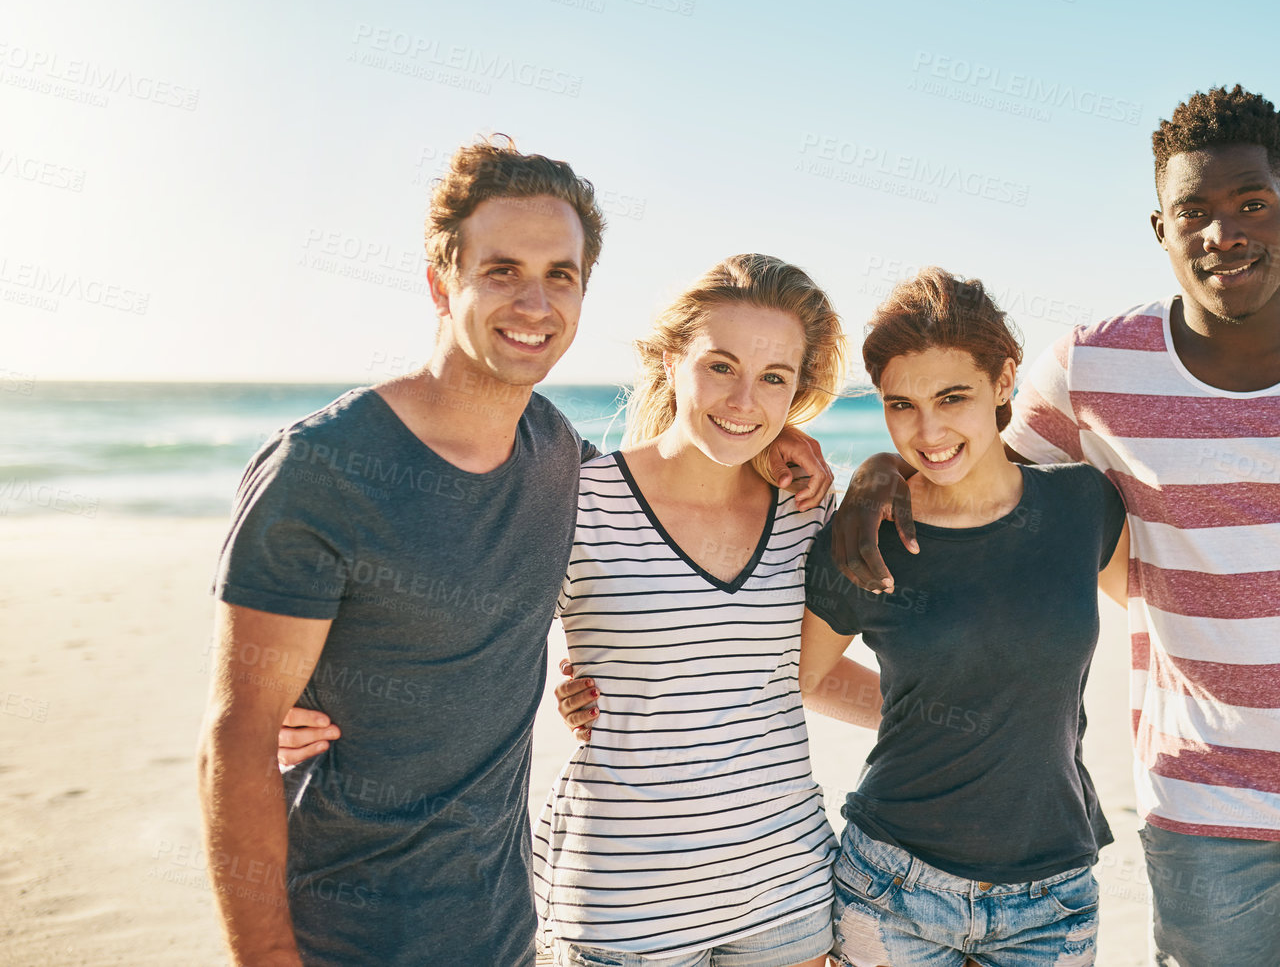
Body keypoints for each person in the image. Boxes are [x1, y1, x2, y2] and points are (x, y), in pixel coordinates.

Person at [831, 87, 1280, 965]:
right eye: (1195, 212)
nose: (1225, 234)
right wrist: (880, 471)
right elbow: (971, 463)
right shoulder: (1093, 366)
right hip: (1201, 817)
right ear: (1159, 227)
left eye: (1251, 204)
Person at [203, 143, 827, 967]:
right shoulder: (322, 467)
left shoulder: (554, 456)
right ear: (441, 281)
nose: (534, 302)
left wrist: (785, 437)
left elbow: (627, 573)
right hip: (342, 932)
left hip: (504, 927)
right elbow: (236, 736)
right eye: (501, 269)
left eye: (560, 275)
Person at [532, 254, 865, 967]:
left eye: (773, 377)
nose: (745, 399)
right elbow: (476, 642)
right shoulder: (578, 502)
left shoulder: (807, 510)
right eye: (721, 365)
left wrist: (969, 716)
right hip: (623, 900)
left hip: (785, 889)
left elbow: (800, 674)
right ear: (669, 358)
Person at [798, 268, 1129, 967]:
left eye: (953, 397)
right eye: (900, 405)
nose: (928, 430)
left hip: (1053, 893)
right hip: (892, 883)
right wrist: (927, 710)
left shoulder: (1079, 506)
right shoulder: (866, 532)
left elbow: (1172, 610)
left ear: (1004, 380)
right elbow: (810, 676)